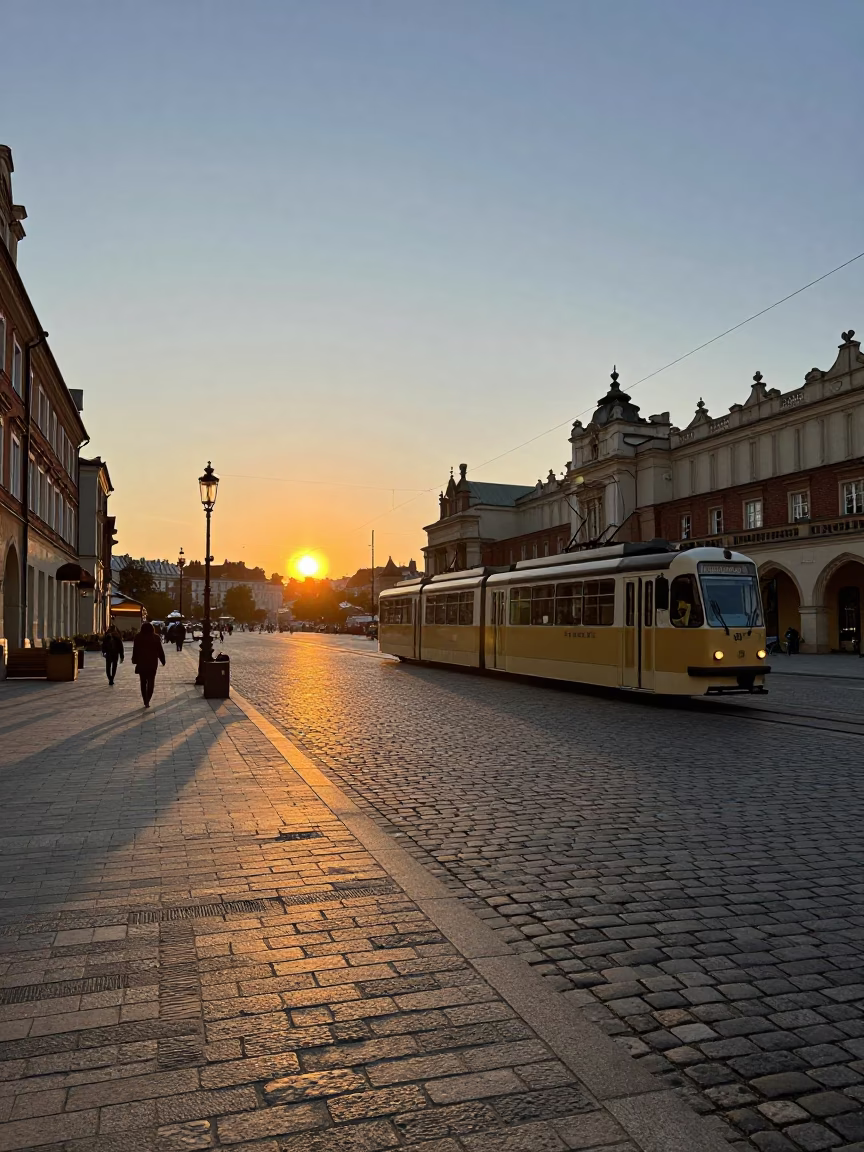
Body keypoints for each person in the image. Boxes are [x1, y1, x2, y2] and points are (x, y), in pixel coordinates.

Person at [132, 621, 166, 708]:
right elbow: (160, 650)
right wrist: (163, 660)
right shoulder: (155, 637)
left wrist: (134, 660)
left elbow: (135, 650)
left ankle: (145, 699)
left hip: (141, 662)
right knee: (151, 681)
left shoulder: (138, 637)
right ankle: (148, 699)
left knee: (143, 682)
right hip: (152, 663)